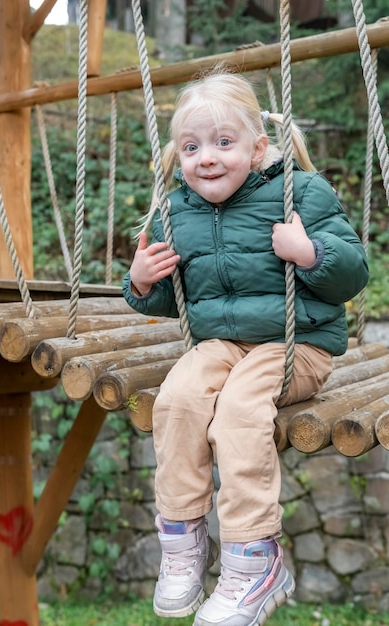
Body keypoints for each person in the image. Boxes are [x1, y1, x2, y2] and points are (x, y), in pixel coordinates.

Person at [122, 67, 369, 626]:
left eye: (223, 142)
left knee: (236, 410)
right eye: (192, 146)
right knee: (178, 398)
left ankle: (254, 557)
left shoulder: (299, 192)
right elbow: (175, 298)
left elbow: (353, 273)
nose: (206, 157)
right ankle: (183, 544)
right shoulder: (176, 209)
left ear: (258, 148)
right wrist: (141, 281)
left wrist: (310, 254)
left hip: (297, 343)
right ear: (178, 155)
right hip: (222, 344)